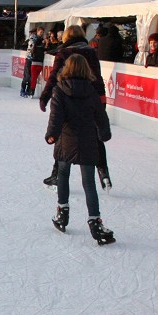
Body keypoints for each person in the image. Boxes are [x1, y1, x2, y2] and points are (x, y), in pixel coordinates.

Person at [45, 54, 115, 244]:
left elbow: (56, 116)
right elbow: (101, 115)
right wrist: (104, 133)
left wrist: (52, 134)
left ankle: (62, 214)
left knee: (63, 176)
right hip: (87, 141)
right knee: (89, 183)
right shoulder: (91, 91)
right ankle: (95, 221)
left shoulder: (60, 90)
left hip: (66, 141)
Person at [39, 25, 109, 188]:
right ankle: (103, 171)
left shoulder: (64, 53)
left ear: (66, 37)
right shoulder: (91, 51)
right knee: (94, 134)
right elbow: (98, 77)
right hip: (89, 96)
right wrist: (101, 99)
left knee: (63, 134)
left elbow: (54, 77)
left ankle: (57, 174)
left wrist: (45, 96)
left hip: (67, 96)